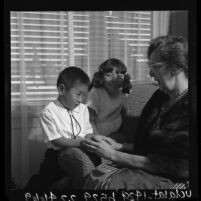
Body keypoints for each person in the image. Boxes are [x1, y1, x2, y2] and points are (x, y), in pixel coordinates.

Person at [81, 35, 189, 190]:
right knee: (98, 175)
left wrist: (112, 154)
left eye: (155, 66)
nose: (151, 74)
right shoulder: (159, 97)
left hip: (173, 177)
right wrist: (120, 146)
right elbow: (150, 147)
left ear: (177, 66)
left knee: (110, 184)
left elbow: (177, 166)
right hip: (149, 168)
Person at [25, 67, 101, 191]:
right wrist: (82, 142)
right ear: (62, 90)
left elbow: (88, 130)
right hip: (58, 154)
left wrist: (92, 138)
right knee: (43, 182)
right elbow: (57, 141)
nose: (81, 100)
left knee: (93, 163)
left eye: (84, 95)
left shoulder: (83, 109)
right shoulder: (49, 111)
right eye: (78, 94)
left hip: (81, 148)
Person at [87, 58, 132, 142]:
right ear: (101, 76)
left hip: (116, 129)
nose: (113, 79)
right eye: (108, 75)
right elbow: (89, 119)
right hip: (98, 131)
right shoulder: (96, 92)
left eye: (119, 75)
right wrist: (97, 137)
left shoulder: (121, 91)